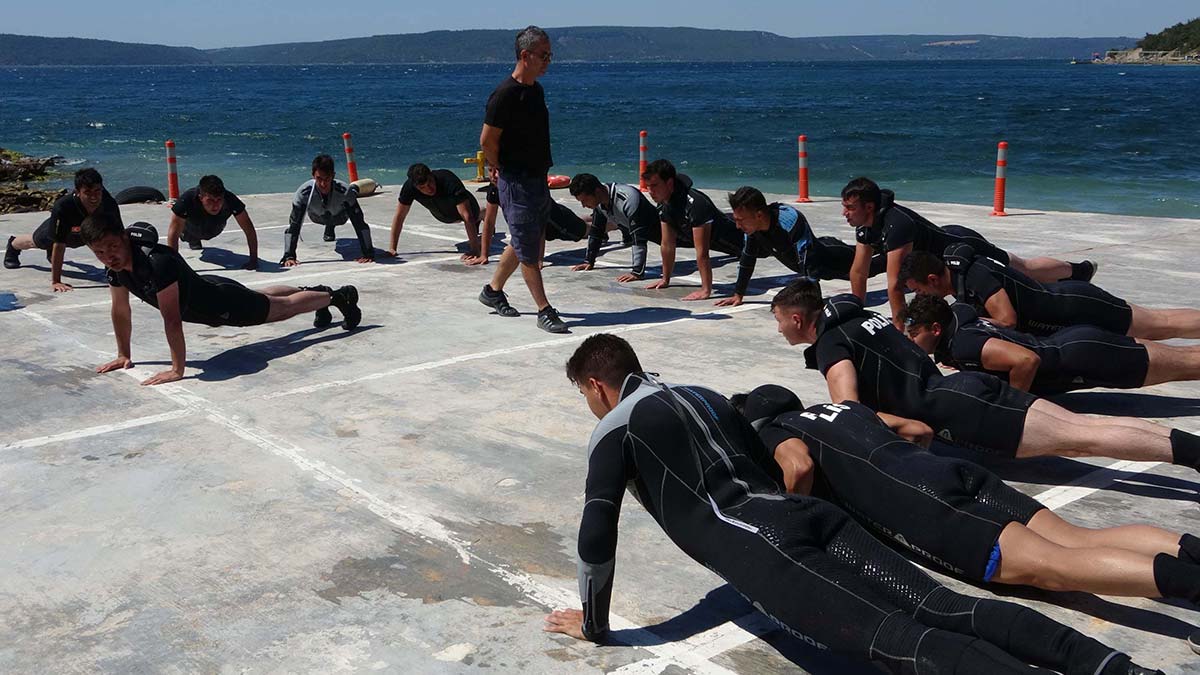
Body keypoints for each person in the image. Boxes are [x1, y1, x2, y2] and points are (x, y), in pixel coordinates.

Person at [543, 333, 1158, 675]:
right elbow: (774, 463)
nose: (589, 406)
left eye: (584, 395)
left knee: (903, 642)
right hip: (808, 517)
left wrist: (595, 624)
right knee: (946, 608)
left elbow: (597, 531)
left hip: (764, 545)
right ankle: (1119, 671)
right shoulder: (702, 393)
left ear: (597, 384)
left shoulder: (614, 428)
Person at [736, 384, 1200, 609]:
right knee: (1078, 538)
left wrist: (796, 511)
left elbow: (797, 465)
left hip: (926, 503)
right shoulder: (844, 408)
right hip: (946, 471)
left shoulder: (777, 431)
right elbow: (918, 429)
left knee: (1054, 569)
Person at [768, 278, 1200, 472]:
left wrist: (899, 435)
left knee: (1086, 438)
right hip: (964, 389)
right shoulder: (862, 318)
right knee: (1085, 428)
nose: (779, 328)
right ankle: (1191, 450)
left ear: (796, 318)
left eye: (780, 320)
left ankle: (1192, 454)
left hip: (958, 408)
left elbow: (850, 412)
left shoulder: (829, 343)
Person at [81, 215, 361, 387]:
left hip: (223, 305)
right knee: (265, 296)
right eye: (100, 252)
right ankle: (316, 292)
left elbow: (172, 319)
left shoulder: (156, 264)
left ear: (124, 237)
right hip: (214, 290)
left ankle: (336, 296)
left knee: (281, 310)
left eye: (113, 247)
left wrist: (177, 370)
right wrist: (123, 354)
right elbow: (120, 310)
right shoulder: (115, 270)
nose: (108, 256)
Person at [840, 176, 1093, 328]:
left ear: (869, 207)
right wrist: (856, 312)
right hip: (940, 260)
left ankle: (1077, 271)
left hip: (962, 246)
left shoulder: (897, 225)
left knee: (1022, 271)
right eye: (844, 207)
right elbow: (859, 272)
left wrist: (899, 328)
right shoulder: (866, 225)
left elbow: (896, 284)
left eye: (850, 208)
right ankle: (1075, 271)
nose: (845, 213)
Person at [903, 294, 1200, 395]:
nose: (910, 341)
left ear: (936, 328)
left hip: (1085, 357)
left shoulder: (964, 344)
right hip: (1077, 344)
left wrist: (1013, 404)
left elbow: (1025, 361)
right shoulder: (959, 316)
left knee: (1186, 366)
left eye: (913, 334)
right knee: (1184, 359)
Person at [476, 26, 568, 334]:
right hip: (516, 181)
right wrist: (497, 165)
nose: (548, 61)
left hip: (537, 177)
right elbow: (487, 140)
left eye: (550, 55)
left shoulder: (535, 90)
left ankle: (492, 291)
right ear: (525, 55)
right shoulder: (504, 95)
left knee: (522, 238)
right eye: (544, 55)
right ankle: (544, 308)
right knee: (529, 247)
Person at [901, 245, 1200, 339]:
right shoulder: (958, 282)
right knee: (1156, 322)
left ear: (932, 278)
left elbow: (1007, 319)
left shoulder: (974, 276)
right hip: (1067, 309)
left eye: (919, 291)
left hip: (1077, 305)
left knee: (1159, 325)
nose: (920, 298)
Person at [721, 185, 883, 307]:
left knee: (872, 267)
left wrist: (813, 307)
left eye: (740, 220)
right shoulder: (752, 229)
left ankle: (901, 253)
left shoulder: (788, 220)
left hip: (832, 258)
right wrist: (738, 294)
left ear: (759, 215)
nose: (737, 225)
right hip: (817, 253)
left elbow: (809, 263)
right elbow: (747, 258)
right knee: (871, 254)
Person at [4, 167, 123, 291]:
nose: (94, 197)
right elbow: (59, 243)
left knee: (105, 238)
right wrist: (56, 281)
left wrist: (118, 269)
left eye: (97, 191)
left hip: (86, 232)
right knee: (38, 241)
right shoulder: (64, 206)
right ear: (77, 192)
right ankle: (13, 245)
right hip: (65, 229)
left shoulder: (109, 204)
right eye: (88, 192)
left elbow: (119, 236)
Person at [641, 159, 742, 301]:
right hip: (720, 244)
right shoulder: (665, 204)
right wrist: (665, 280)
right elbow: (667, 244)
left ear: (669, 183)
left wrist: (705, 290)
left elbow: (702, 252)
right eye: (648, 186)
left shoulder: (695, 204)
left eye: (655, 186)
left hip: (743, 239)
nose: (650, 191)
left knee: (768, 251)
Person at [281, 154, 375, 267]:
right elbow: (294, 225)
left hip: (339, 216)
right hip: (317, 216)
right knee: (296, 221)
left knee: (351, 195)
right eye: (319, 179)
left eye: (327, 179)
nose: (323, 184)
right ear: (313, 176)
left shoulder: (345, 191)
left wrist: (368, 253)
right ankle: (329, 225)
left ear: (333, 176)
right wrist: (289, 256)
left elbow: (359, 222)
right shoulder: (303, 193)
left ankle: (332, 223)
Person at [566, 173, 662, 281]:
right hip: (635, 228)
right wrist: (589, 261)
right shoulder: (600, 202)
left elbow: (639, 238)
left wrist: (637, 272)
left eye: (585, 200)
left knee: (682, 242)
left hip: (666, 231)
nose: (583, 205)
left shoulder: (627, 198)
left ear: (597, 191)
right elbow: (596, 231)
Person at [385, 163, 483, 263]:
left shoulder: (447, 178)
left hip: (468, 207)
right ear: (415, 186)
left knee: (473, 215)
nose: (429, 189)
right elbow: (399, 216)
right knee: (447, 217)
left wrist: (475, 249)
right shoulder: (409, 187)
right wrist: (392, 248)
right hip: (442, 215)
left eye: (430, 182)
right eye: (422, 188)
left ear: (431, 174)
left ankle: (482, 214)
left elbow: (467, 216)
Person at [166, 174, 259, 269]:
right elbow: (173, 233)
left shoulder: (230, 199)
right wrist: (174, 265)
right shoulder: (186, 200)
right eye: (210, 200)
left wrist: (253, 260)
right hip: (190, 229)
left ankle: (198, 237)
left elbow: (249, 229)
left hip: (215, 227)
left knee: (209, 230)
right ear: (201, 197)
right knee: (187, 234)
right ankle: (194, 240)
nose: (215, 205)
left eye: (219, 200)